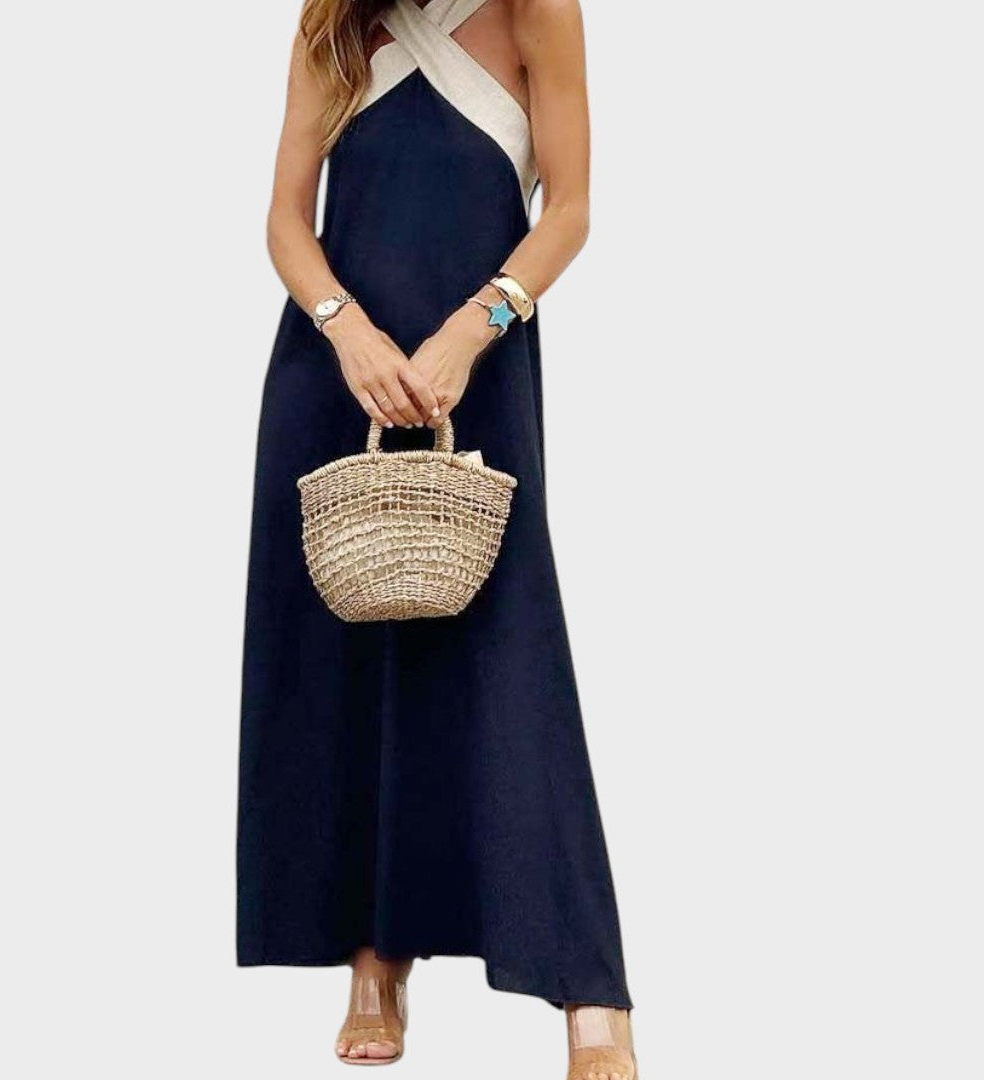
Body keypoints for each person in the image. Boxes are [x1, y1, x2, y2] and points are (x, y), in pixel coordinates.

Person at [238, 2, 636, 1075]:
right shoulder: (333, 21)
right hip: (334, 381)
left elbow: (569, 209)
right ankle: (375, 959)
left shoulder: (537, 9)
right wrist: (346, 331)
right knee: (344, 664)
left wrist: (477, 325)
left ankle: (590, 988)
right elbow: (285, 220)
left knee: (513, 657)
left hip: (479, 376)